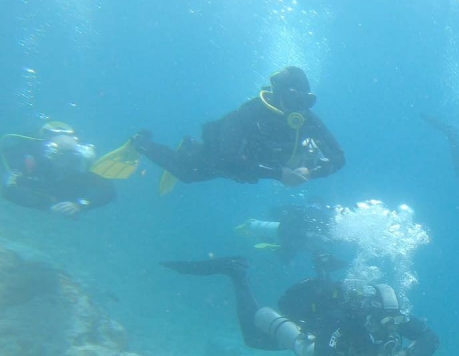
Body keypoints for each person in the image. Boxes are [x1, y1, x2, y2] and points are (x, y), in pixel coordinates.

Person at [161, 257, 439, 356]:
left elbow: (430, 337)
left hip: (346, 346)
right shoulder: (342, 318)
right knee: (254, 339)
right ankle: (237, 275)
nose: (393, 327)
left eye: (395, 321)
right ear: (369, 314)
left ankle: (321, 265)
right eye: (385, 322)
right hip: (312, 327)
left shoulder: (391, 316)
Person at [133, 66, 345, 187]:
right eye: (293, 100)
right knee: (188, 173)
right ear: (279, 94)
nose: (298, 109)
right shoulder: (247, 115)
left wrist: (310, 171)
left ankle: (189, 145)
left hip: (258, 165)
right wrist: (278, 174)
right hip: (222, 157)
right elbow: (228, 158)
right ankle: (141, 142)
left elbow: (338, 158)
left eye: (305, 101)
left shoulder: (306, 119)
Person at [1, 121, 116, 216]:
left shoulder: (81, 163)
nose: (66, 162)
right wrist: (46, 204)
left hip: (62, 194)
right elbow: (9, 189)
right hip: (41, 192)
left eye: (70, 157)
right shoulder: (31, 156)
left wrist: (81, 205)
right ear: (51, 153)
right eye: (62, 156)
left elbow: (107, 191)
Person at [234, 201, 347, 274]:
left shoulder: (321, 225)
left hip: (285, 237)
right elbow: (287, 237)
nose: (314, 214)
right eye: (312, 210)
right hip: (282, 235)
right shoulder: (296, 220)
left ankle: (252, 230)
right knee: (285, 251)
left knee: (288, 251)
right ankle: (250, 228)